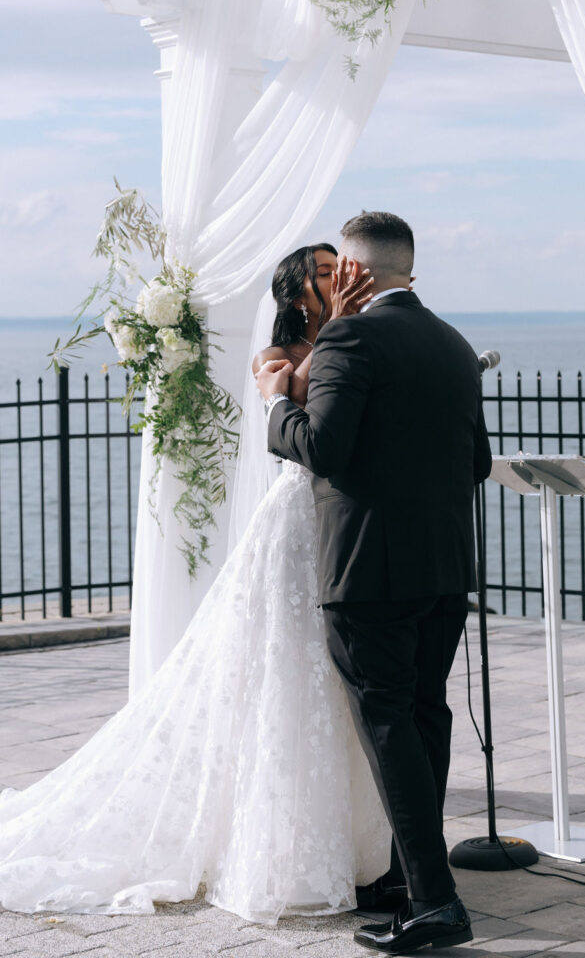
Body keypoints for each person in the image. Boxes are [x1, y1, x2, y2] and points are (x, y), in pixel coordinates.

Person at [0, 243, 390, 926]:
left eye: (341, 270)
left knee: (334, 683)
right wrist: (339, 329)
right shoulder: (278, 359)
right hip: (296, 528)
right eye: (324, 274)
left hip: (337, 527)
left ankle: (353, 847)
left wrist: (349, 326)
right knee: (289, 676)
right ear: (299, 294)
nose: (340, 281)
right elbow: (298, 409)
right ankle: (288, 854)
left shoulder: (350, 342)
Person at [257, 211, 493, 954]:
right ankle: (403, 878)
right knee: (425, 717)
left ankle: (434, 902)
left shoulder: (348, 337)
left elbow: (320, 446)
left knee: (388, 724)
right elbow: (477, 463)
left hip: (369, 568)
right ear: (409, 269)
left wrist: (274, 406)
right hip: (444, 565)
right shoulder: (452, 343)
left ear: (353, 272)